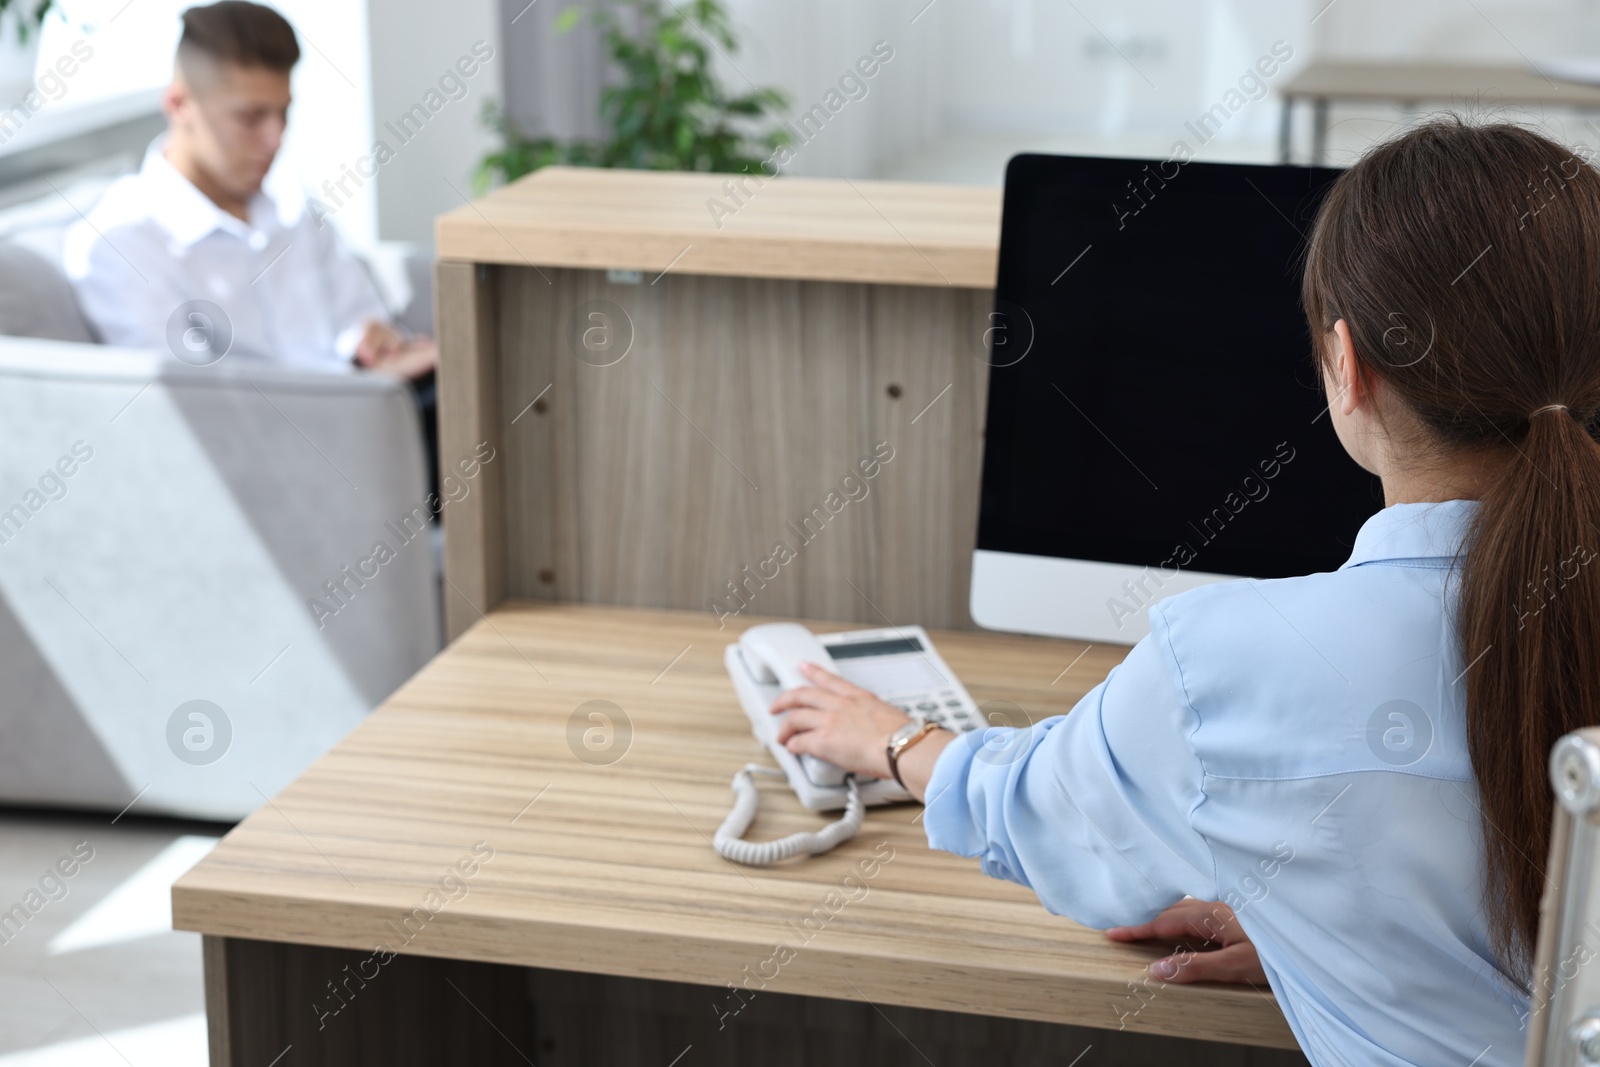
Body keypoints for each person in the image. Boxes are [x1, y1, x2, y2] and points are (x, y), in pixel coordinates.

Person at [770, 117, 1594, 1065]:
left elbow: (1043, 820)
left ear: (1348, 365)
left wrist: (894, 739)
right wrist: (1327, 929)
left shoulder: (1236, 662)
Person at [63, 0, 436, 379]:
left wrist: (370, 341)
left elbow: (361, 317)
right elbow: (194, 411)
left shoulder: (296, 210)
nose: (276, 139)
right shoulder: (121, 246)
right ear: (179, 105)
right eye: (251, 117)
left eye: (283, 112)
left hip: (377, 409)